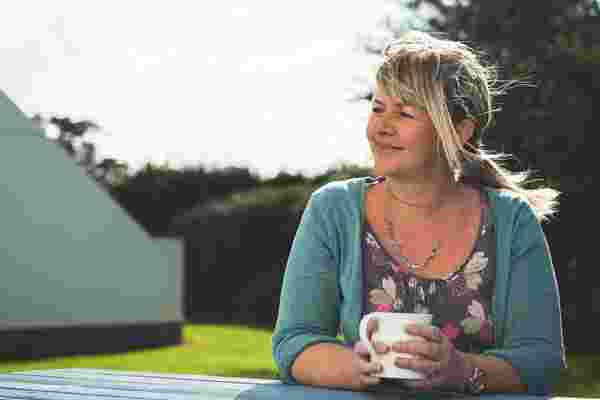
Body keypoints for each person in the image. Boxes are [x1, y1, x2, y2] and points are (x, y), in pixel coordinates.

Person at [272, 30, 565, 395]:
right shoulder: (332, 210)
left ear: (459, 131)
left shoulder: (511, 221)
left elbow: (541, 361)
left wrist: (462, 370)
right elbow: (294, 342)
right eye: (378, 107)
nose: (381, 127)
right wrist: (357, 367)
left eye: (405, 113)